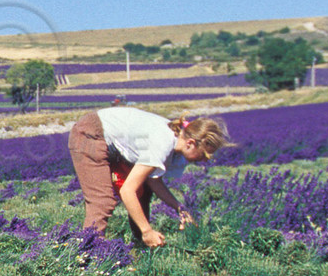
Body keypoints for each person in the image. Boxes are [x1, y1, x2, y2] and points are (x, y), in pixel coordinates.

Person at [68, 106, 231, 248]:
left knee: (144, 191)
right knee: (102, 200)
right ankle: (89, 254)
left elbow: (153, 180)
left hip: (108, 141)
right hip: (90, 134)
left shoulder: (173, 142)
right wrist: (147, 231)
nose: (203, 160)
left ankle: (141, 247)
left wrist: (180, 209)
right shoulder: (162, 144)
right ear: (190, 143)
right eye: (204, 155)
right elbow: (127, 191)